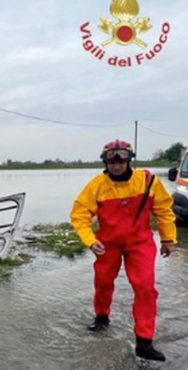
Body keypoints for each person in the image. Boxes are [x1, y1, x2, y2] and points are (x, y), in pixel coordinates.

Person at [70, 139, 178, 362]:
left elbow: (164, 211)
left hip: (139, 243)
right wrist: (90, 241)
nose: (116, 164)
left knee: (145, 288)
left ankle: (144, 342)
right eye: (111, 160)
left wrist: (168, 239)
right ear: (105, 162)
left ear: (129, 160)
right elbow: (79, 215)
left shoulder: (147, 181)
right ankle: (101, 317)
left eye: (121, 159)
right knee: (103, 281)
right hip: (107, 244)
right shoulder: (96, 185)